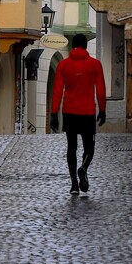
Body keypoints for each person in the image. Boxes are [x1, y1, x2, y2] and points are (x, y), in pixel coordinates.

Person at [50, 33, 106, 195]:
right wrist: (102, 109)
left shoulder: (63, 65)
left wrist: (54, 113)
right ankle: (84, 168)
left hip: (69, 112)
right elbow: (101, 90)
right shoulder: (95, 65)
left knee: (71, 148)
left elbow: (57, 91)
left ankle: (74, 183)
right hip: (87, 112)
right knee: (90, 147)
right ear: (86, 46)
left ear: (72, 45)